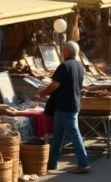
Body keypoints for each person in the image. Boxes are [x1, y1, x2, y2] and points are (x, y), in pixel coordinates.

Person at [37, 41, 90, 174]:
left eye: (62, 50)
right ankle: (52, 163)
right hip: (67, 105)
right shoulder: (79, 66)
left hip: (66, 106)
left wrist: (43, 92)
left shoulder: (64, 66)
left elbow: (54, 85)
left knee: (74, 134)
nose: (61, 52)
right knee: (58, 135)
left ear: (66, 51)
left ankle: (84, 163)